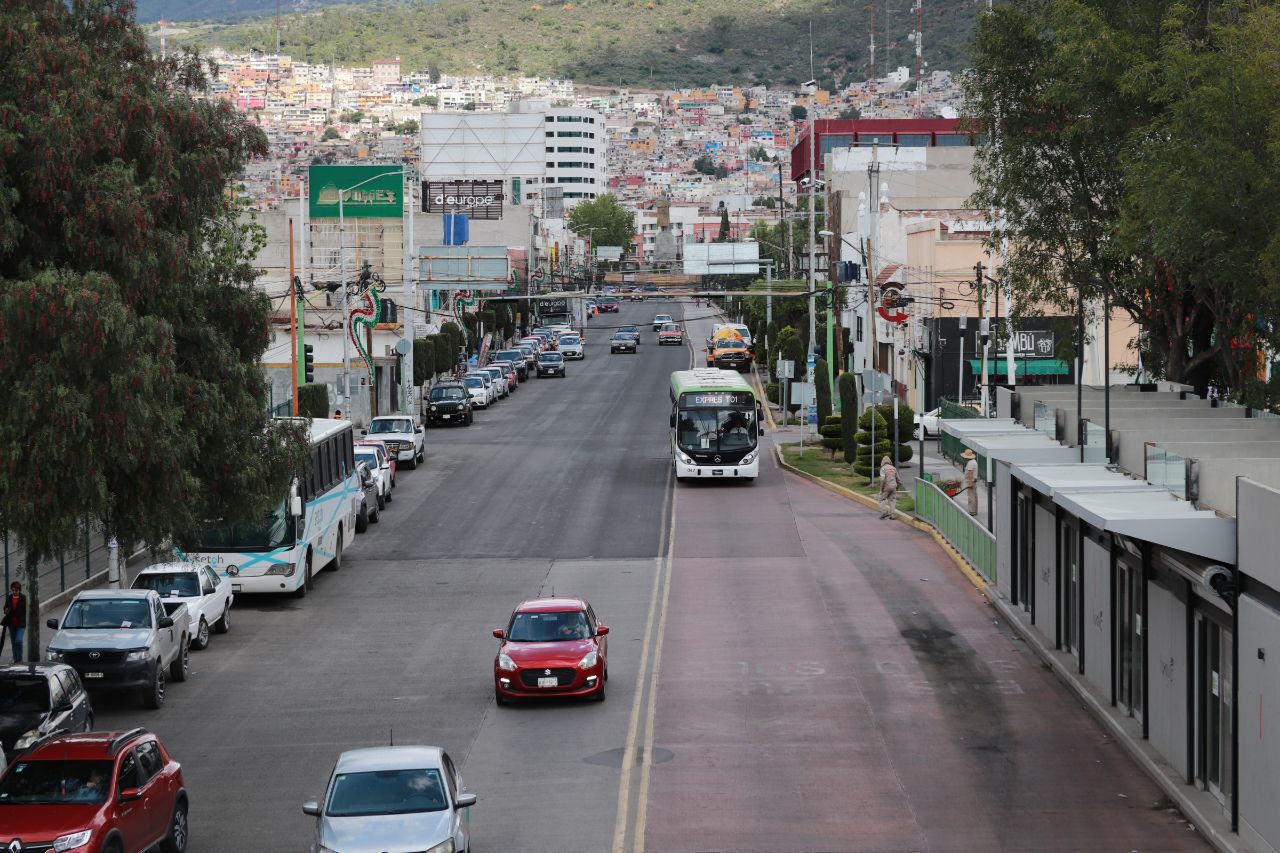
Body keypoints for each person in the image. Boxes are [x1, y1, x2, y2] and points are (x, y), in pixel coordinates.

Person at [2, 581, 26, 663]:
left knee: (18, 641)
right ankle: (16, 660)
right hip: (11, 624)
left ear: (19, 590)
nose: (14, 592)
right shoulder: (9, 597)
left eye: (16, 590)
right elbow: (5, 608)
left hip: (21, 623)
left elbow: (25, 610)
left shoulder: (23, 598)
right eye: (13, 590)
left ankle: (19, 659)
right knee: (13, 643)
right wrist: (6, 610)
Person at [961, 448, 979, 517]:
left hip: (971, 481)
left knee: (971, 497)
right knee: (974, 496)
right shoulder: (974, 461)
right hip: (974, 481)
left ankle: (972, 511)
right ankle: (975, 510)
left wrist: (970, 483)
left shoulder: (970, 463)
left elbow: (970, 473)